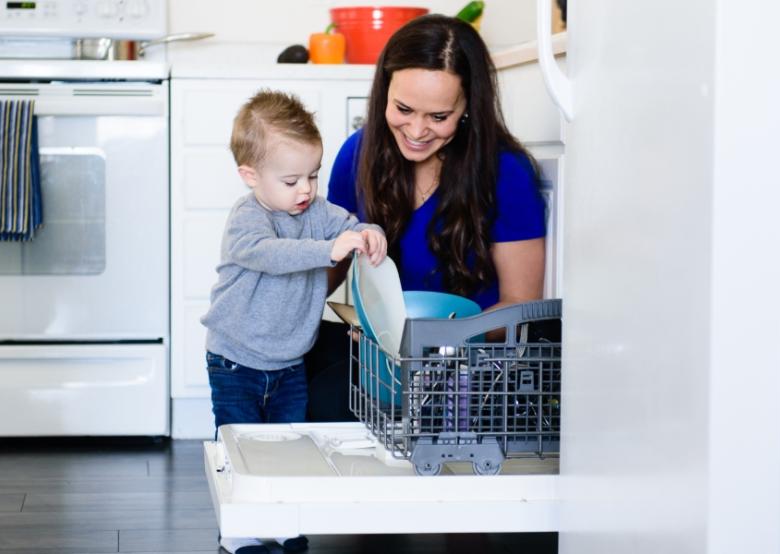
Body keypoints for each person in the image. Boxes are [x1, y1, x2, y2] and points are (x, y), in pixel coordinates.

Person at [305, 14, 547, 422]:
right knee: (296, 383)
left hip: (468, 364)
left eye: (439, 117)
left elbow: (520, 303)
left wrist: (423, 341)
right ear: (385, 90)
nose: (416, 130)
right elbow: (331, 265)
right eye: (403, 109)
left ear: (468, 106)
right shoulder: (358, 154)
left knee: (334, 404)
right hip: (382, 351)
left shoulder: (506, 172)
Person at [200, 90, 387, 554]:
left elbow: (352, 222)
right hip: (236, 360)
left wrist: (369, 234)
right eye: (290, 180)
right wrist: (330, 249)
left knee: (287, 446)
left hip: (288, 361)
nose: (305, 190)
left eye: (313, 176)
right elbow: (271, 256)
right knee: (239, 443)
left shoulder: (314, 212)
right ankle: (239, 529)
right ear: (251, 176)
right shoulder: (247, 220)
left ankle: (282, 518)